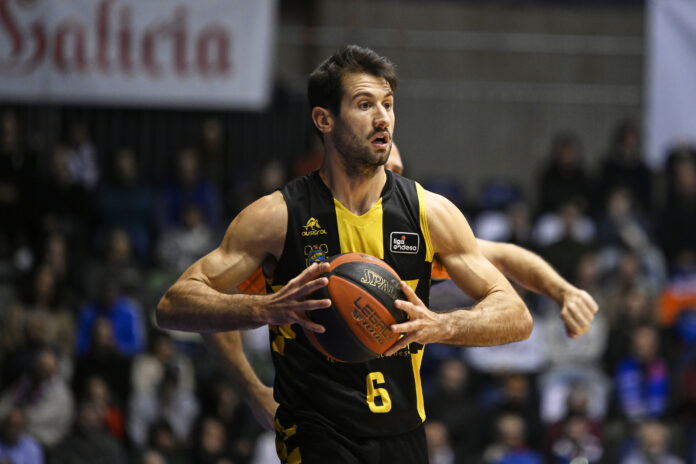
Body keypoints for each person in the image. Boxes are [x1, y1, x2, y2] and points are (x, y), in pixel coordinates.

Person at [157, 45, 597, 463]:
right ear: (324, 119)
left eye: (388, 104)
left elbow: (515, 310)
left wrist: (441, 325)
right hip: (315, 431)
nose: (382, 116)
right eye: (365, 104)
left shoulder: (428, 214)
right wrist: (263, 317)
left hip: (402, 432)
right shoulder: (278, 217)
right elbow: (175, 304)